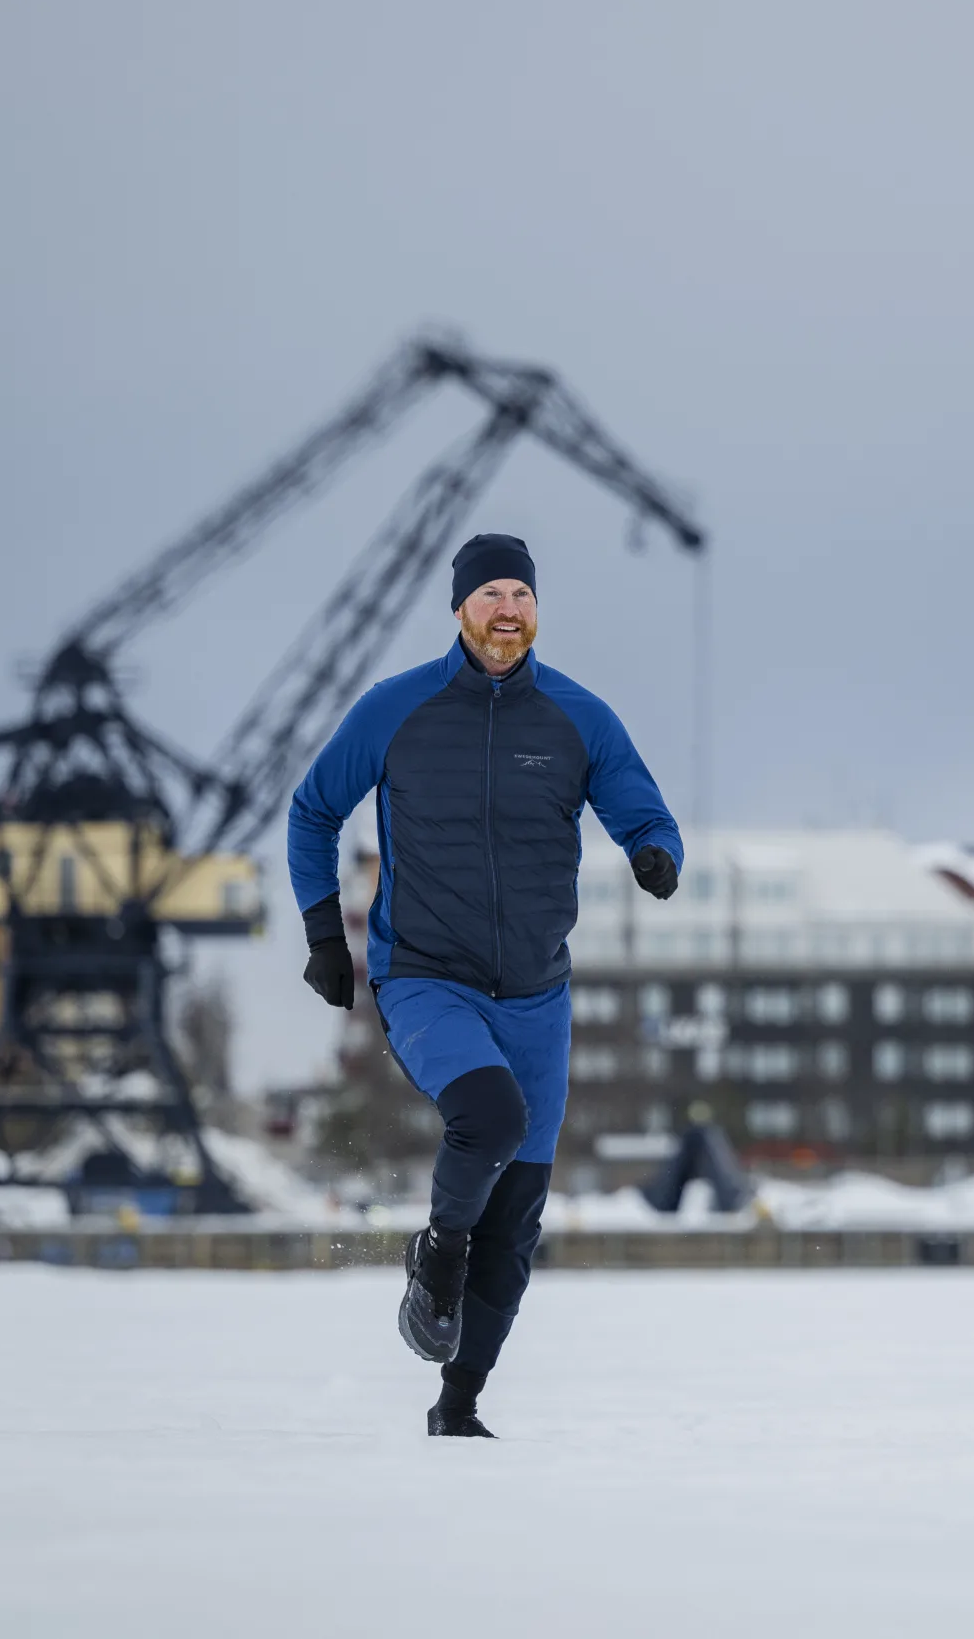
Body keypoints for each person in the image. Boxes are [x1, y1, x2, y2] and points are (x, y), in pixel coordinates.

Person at [286, 532, 681, 1438]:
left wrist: (655, 852)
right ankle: (438, 1252)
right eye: (491, 593)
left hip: (539, 996)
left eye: (522, 594)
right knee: (489, 1119)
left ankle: (457, 1407)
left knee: (519, 1220)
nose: (509, 609)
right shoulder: (397, 709)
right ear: (460, 607)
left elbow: (641, 806)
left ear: (536, 610)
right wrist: (322, 935)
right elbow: (313, 810)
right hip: (427, 978)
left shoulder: (579, 718)